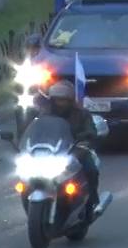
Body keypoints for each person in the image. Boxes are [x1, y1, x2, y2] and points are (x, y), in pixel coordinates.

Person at [38, 79, 102, 211]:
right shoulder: (46, 114)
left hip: (76, 150)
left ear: (70, 100)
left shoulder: (82, 114)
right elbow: (38, 129)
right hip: (53, 150)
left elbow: (90, 131)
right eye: (57, 100)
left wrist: (84, 139)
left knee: (91, 169)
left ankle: (93, 200)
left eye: (63, 100)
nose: (59, 103)